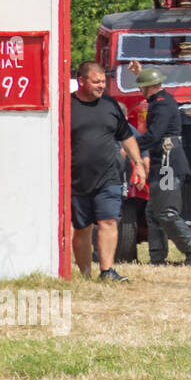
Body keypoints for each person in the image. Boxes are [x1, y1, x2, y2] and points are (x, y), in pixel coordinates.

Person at [70, 61, 146, 281]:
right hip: (77, 178)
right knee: (83, 228)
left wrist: (138, 163)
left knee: (109, 221)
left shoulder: (110, 105)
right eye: (96, 82)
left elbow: (126, 136)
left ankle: (107, 271)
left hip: (109, 176)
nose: (101, 86)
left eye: (103, 81)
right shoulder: (67, 106)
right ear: (81, 81)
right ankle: (85, 274)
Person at [127, 63, 191, 265]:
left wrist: (130, 146)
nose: (141, 92)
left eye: (142, 88)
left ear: (149, 87)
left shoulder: (162, 104)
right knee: (153, 212)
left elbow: (155, 135)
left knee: (166, 212)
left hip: (167, 165)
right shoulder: (162, 101)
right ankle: (157, 258)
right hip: (163, 164)